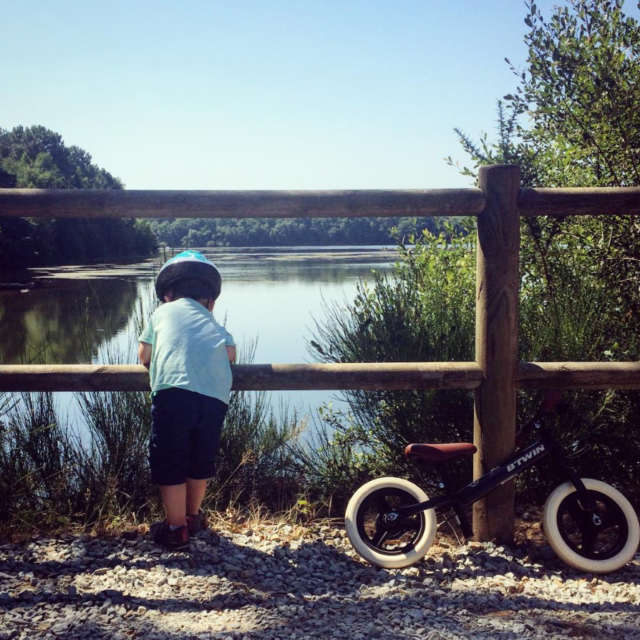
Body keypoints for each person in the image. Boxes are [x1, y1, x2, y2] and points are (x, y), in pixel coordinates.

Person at [138, 250, 236, 550]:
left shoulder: (161, 313)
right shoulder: (216, 325)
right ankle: (193, 518)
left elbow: (144, 356)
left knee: (170, 459)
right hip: (215, 399)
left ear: (167, 295)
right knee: (199, 460)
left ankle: (175, 528)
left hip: (173, 393)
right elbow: (230, 355)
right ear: (212, 302)